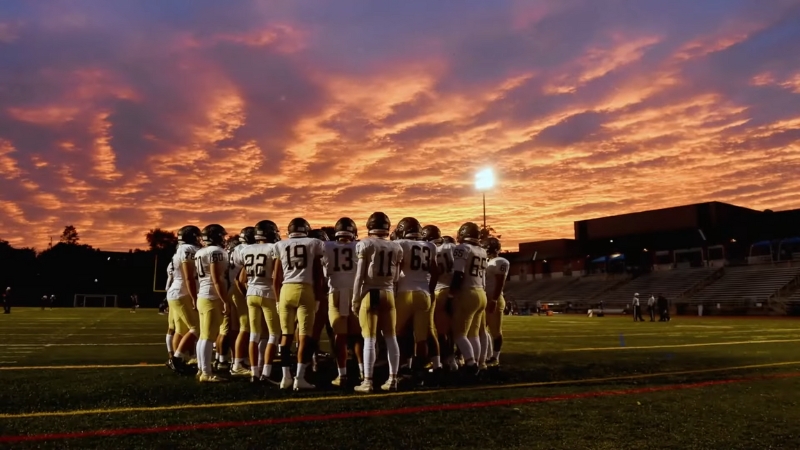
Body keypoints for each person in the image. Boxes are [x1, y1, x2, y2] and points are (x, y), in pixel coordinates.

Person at [273, 218, 326, 391]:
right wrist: (318, 298)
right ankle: (299, 378)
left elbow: (276, 278)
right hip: (305, 289)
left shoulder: (280, 245)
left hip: (286, 289)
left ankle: (285, 377)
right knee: (304, 336)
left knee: (286, 335)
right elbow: (318, 274)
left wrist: (277, 299)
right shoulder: (314, 243)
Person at [352, 212, 403, 393]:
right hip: (388, 293)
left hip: (370, 292)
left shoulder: (365, 244)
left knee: (369, 338)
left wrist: (355, 299)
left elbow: (359, 276)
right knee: (391, 337)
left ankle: (368, 381)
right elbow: (397, 277)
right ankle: (393, 379)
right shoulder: (396, 247)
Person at [394, 217, 439, 384]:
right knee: (421, 337)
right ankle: (420, 373)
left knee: (397, 334)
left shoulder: (401, 244)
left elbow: (396, 272)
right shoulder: (430, 246)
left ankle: (401, 367)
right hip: (424, 293)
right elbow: (435, 272)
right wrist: (431, 290)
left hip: (405, 293)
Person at [321, 217, 364, 387]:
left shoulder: (327, 247)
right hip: (356, 292)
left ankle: (343, 374)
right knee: (358, 336)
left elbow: (323, 273)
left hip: (336, 292)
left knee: (340, 335)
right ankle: (363, 371)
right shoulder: (360, 246)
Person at [240, 220, 281, 384]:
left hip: (251, 293)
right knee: (274, 334)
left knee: (255, 335)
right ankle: (266, 373)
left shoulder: (246, 249)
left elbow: (242, 278)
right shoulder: (274, 248)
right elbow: (277, 276)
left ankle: (254, 373)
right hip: (268, 292)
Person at [449, 222, 488, 377]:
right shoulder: (482, 251)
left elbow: (458, 274)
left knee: (459, 334)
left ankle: (471, 365)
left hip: (468, 292)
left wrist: (452, 295)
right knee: (473, 334)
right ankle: (477, 365)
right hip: (481, 292)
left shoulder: (462, 248)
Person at [194, 224, 231, 383]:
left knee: (204, 336)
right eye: (222, 236)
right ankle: (206, 373)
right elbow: (217, 279)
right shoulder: (216, 252)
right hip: (211, 295)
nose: (224, 239)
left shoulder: (200, 252)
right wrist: (225, 301)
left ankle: (202, 369)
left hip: (203, 294)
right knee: (208, 337)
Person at [167, 225, 202, 375]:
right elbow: (188, 277)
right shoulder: (188, 250)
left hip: (176, 293)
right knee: (196, 328)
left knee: (181, 330)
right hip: (182, 292)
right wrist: (194, 297)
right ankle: (176, 359)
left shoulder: (181, 249)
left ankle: (176, 361)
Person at [483, 237, 508, 367]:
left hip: (494, 298)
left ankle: (495, 357)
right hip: (483, 298)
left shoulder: (500, 261)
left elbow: (500, 282)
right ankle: (486, 356)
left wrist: (493, 299)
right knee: (481, 330)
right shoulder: (486, 261)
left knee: (495, 331)